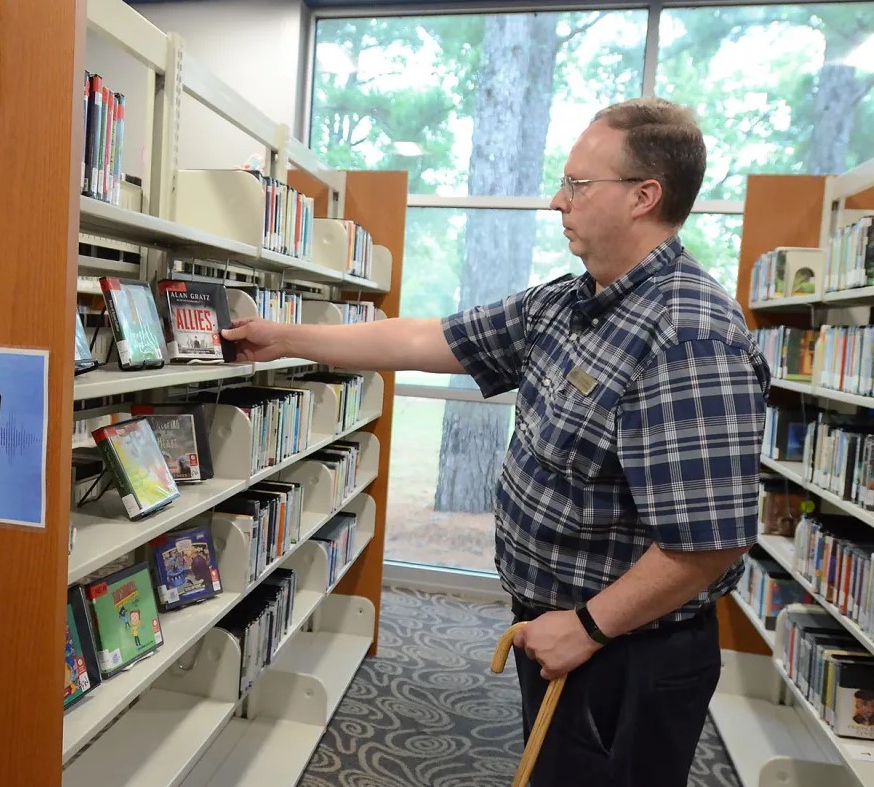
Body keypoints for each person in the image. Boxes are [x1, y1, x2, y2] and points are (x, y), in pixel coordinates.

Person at [221, 97, 769, 786]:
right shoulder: (567, 304)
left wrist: (589, 626)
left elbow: (710, 540)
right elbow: (424, 338)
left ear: (644, 196)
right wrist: (284, 338)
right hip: (562, 630)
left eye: (576, 184)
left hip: (625, 651)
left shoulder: (691, 335)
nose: (556, 200)